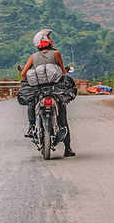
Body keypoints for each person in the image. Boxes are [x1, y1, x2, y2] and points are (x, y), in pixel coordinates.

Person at [21, 28, 75, 157]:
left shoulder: (33, 57)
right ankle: (68, 149)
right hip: (54, 90)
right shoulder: (56, 54)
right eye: (50, 38)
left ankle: (30, 126)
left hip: (40, 90)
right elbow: (62, 72)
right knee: (63, 118)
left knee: (32, 102)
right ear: (44, 40)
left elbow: (23, 74)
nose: (52, 40)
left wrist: (27, 81)